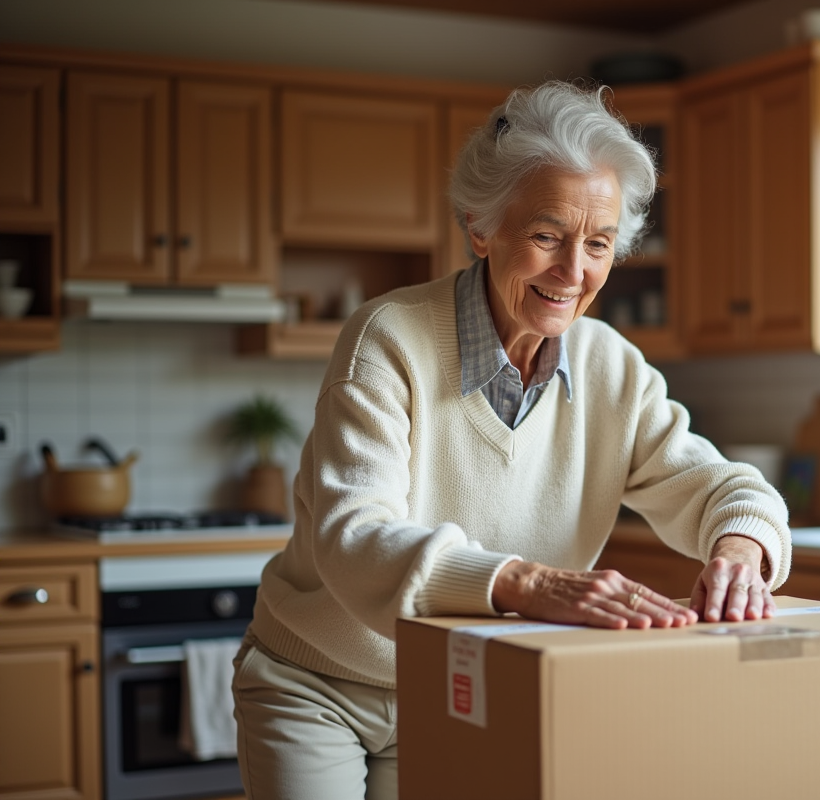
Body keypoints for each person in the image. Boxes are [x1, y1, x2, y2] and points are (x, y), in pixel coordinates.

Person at [231, 79, 791, 800]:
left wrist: (741, 551)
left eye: (597, 243)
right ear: (480, 227)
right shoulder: (387, 339)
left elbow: (721, 487)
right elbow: (355, 537)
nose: (573, 272)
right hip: (318, 682)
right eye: (546, 236)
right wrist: (531, 584)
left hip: (459, 684)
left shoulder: (610, 366)